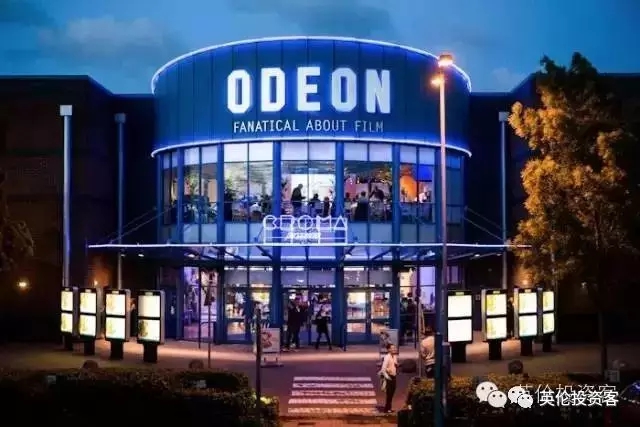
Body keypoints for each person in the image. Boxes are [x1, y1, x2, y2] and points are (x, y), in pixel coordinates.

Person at [379, 343, 398, 413]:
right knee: (389, 393)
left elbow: (395, 364)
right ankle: (387, 409)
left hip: (394, 376)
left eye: (394, 348)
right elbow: (383, 369)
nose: (394, 349)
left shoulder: (394, 356)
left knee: (392, 393)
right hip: (389, 377)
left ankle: (389, 408)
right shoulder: (387, 357)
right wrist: (388, 378)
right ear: (388, 349)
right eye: (392, 348)